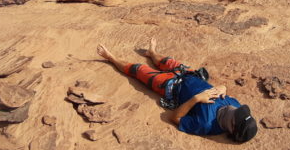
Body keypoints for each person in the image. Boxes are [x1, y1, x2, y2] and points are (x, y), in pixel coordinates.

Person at [96, 38, 258, 143]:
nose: (235, 108)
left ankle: (111, 58)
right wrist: (223, 87)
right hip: (192, 76)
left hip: (172, 86)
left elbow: (175, 117)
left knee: (139, 70)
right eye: (240, 110)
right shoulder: (235, 106)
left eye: (237, 114)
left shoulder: (206, 124)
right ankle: (152, 53)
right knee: (166, 61)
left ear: (232, 127)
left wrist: (196, 99)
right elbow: (225, 92)